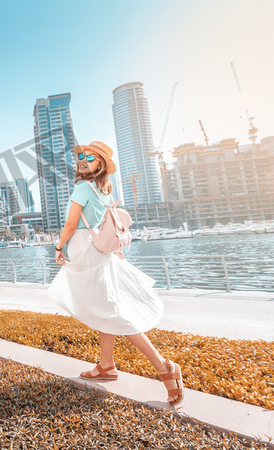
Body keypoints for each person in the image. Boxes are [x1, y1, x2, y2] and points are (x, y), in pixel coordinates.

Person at [47, 140, 184, 406]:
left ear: (100, 164)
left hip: (88, 253)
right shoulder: (104, 189)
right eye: (81, 156)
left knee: (111, 312)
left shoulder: (82, 187)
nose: (83, 159)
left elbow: (71, 223)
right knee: (103, 308)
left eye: (91, 157)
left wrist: (58, 246)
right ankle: (107, 365)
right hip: (99, 252)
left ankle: (164, 366)